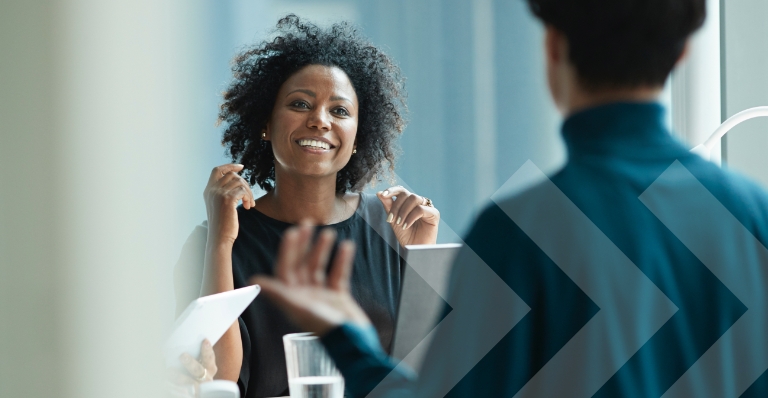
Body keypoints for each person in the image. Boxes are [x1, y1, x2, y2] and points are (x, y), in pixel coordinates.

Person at [252, 0, 768, 397]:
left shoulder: (523, 230)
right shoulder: (751, 215)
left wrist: (342, 334)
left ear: (553, 49)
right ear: (682, 52)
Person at [173, 15, 440, 398]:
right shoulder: (217, 237)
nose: (319, 121)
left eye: (340, 111)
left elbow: (430, 374)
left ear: (358, 136)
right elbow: (219, 381)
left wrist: (422, 258)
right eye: (300, 104)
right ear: (265, 122)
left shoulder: (394, 224)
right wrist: (220, 242)